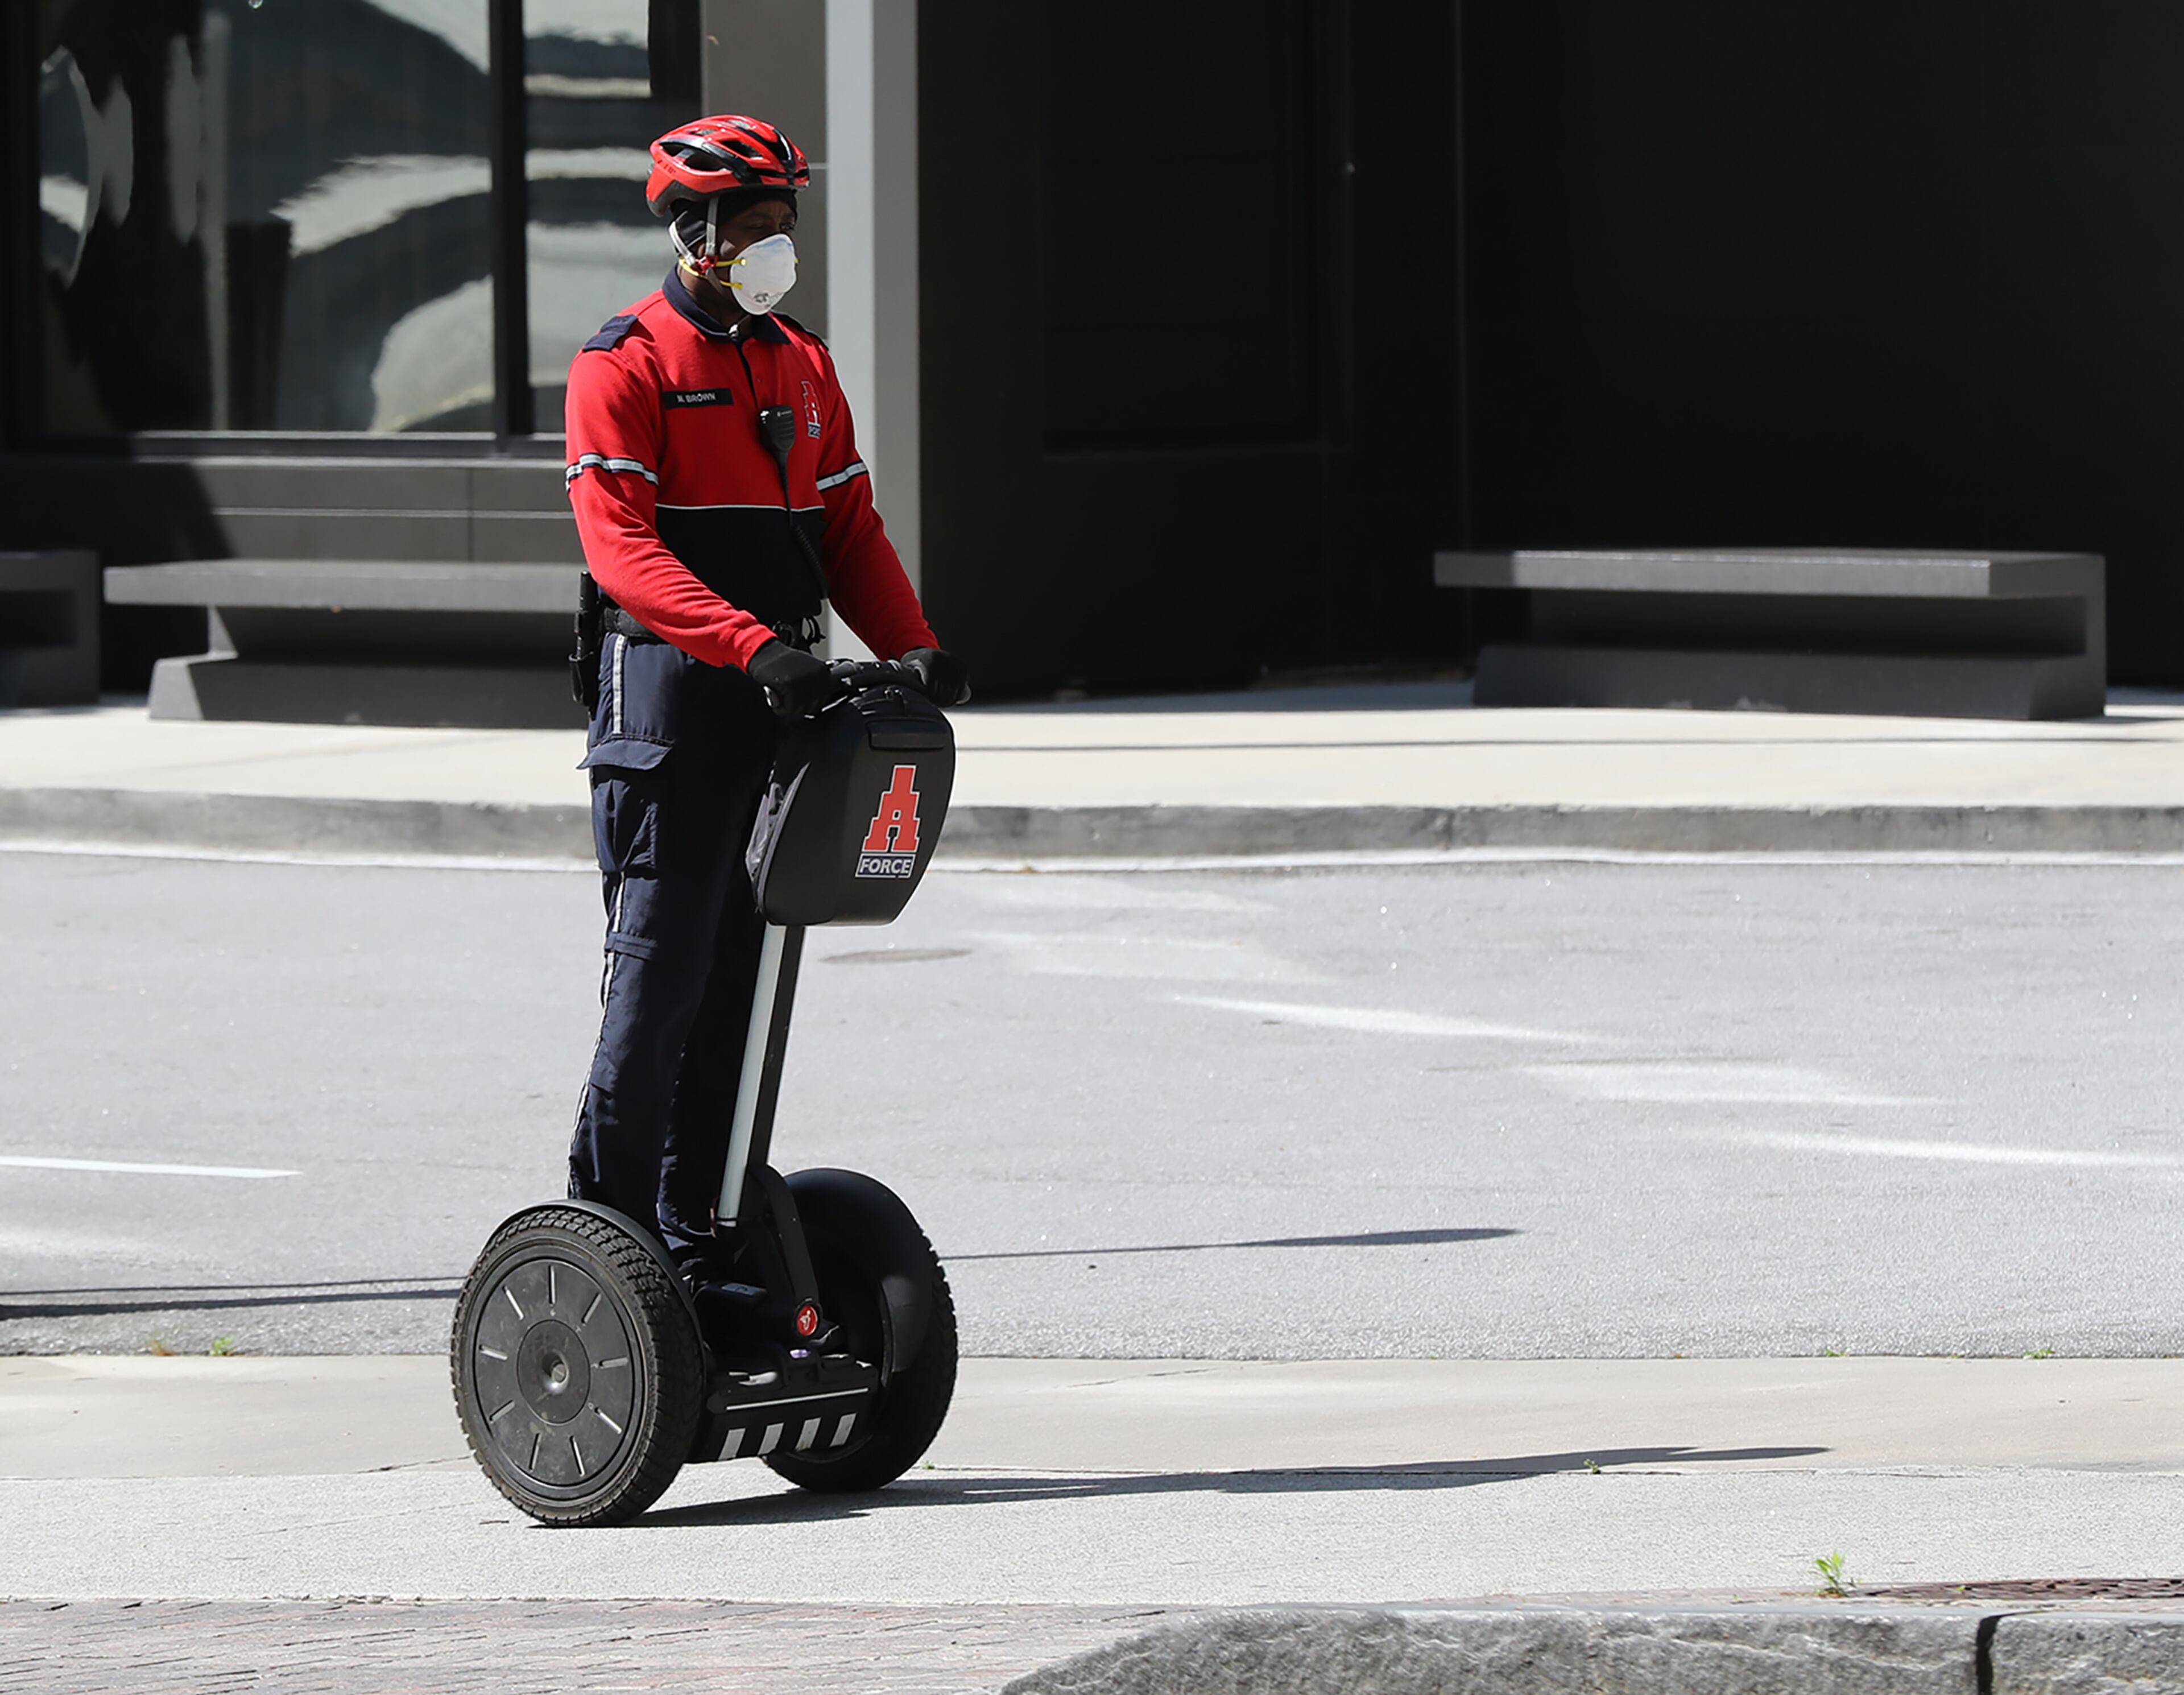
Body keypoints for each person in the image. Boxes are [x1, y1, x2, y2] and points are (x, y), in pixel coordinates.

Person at [560, 113, 966, 1277]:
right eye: (754, 225)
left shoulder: (801, 360)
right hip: (674, 711)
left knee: (746, 989)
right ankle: (613, 1244)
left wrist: (915, 644)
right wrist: (751, 646)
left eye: (784, 223)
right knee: (660, 986)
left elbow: (849, 527)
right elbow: (623, 552)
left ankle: (704, 1236)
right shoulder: (624, 363)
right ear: (694, 233)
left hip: (786, 714)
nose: (775, 243)